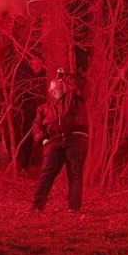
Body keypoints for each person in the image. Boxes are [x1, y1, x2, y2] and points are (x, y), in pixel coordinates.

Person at [31, 69, 89, 214]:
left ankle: (74, 208)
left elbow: (80, 88)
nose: (58, 90)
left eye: (60, 88)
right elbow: (36, 125)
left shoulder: (75, 99)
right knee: (47, 173)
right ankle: (37, 206)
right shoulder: (44, 108)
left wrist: (65, 79)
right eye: (55, 89)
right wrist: (44, 138)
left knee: (74, 174)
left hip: (75, 139)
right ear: (51, 91)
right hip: (54, 141)